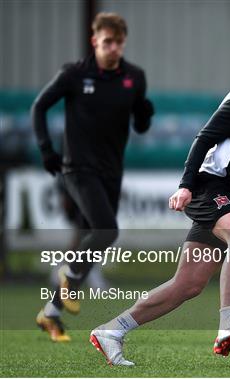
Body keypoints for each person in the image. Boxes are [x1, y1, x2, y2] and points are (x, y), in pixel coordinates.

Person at [89, 29, 230, 366]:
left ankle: (112, 331)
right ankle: (228, 327)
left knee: (188, 284)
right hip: (210, 185)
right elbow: (204, 138)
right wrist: (185, 185)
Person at [32, 12, 154, 342]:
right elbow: (40, 106)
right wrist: (46, 148)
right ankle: (69, 277)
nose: (113, 48)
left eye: (118, 42)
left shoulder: (134, 77)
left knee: (90, 236)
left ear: (123, 43)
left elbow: (140, 124)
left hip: (111, 171)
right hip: (77, 169)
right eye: (107, 42)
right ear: (95, 41)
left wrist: (144, 116)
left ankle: (51, 312)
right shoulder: (75, 74)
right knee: (106, 230)